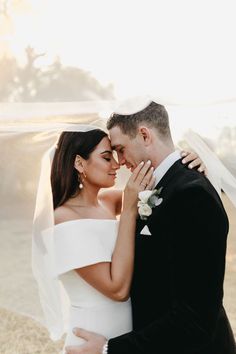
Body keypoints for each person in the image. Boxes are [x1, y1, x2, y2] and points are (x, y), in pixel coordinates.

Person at [65, 102, 236, 354]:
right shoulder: (155, 185)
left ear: (144, 135)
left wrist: (108, 349)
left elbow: (195, 318)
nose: (120, 162)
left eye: (120, 150)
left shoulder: (192, 194)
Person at [32, 123, 204, 353]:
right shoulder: (63, 218)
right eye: (106, 157)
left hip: (124, 339)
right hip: (92, 340)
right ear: (79, 163)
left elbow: (165, 186)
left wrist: (187, 162)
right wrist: (130, 210)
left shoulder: (108, 202)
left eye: (115, 155)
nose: (116, 165)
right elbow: (118, 289)